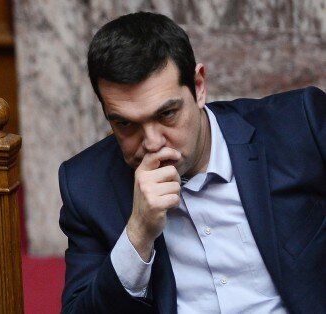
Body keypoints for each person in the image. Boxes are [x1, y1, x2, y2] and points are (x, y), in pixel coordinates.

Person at [59, 12, 324, 313]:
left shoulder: (298, 126)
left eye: (166, 114)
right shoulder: (86, 185)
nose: (152, 143)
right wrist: (138, 234)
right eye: (125, 124)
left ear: (198, 86)